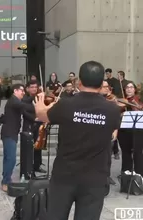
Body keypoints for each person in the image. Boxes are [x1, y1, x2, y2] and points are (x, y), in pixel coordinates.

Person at [34, 61, 120, 220]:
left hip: (64, 175)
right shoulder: (113, 110)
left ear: (79, 82)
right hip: (95, 178)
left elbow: (42, 115)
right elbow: (112, 132)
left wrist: (40, 104)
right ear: (102, 84)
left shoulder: (65, 105)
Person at [0, 84, 35, 192]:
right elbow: (26, 106)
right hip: (9, 133)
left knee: (8, 158)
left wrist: (36, 118)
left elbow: (25, 112)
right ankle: (6, 181)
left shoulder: (16, 102)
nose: (23, 92)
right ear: (15, 91)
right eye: (21, 91)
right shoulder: (13, 101)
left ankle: (5, 177)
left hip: (12, 133)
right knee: (11, 159)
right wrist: (37, 104)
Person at [117, 81, 143, 176]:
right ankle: (125, 172)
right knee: (126, 152)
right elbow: (114, 114)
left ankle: (139, 174)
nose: (129, 89)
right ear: (124, 89)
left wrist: (134, 104)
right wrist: (121, 114)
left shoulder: (139, 100)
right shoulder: (120, 101)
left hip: (138, 130)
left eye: (131, 87)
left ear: (135, 89)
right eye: (127, 87)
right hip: (124, 130)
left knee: (138, 152)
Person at [21, 80, 46, 179]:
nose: (34, 89)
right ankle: (29, 168)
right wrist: (34, 118)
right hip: (29, 124)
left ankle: (37, 165)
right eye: (32, 87)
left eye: (36, 87)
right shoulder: (25, 99)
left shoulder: (39, 97)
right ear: (27, 88)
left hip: (39, 125)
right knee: (29, 147)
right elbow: (24, 111)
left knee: (38, 145)